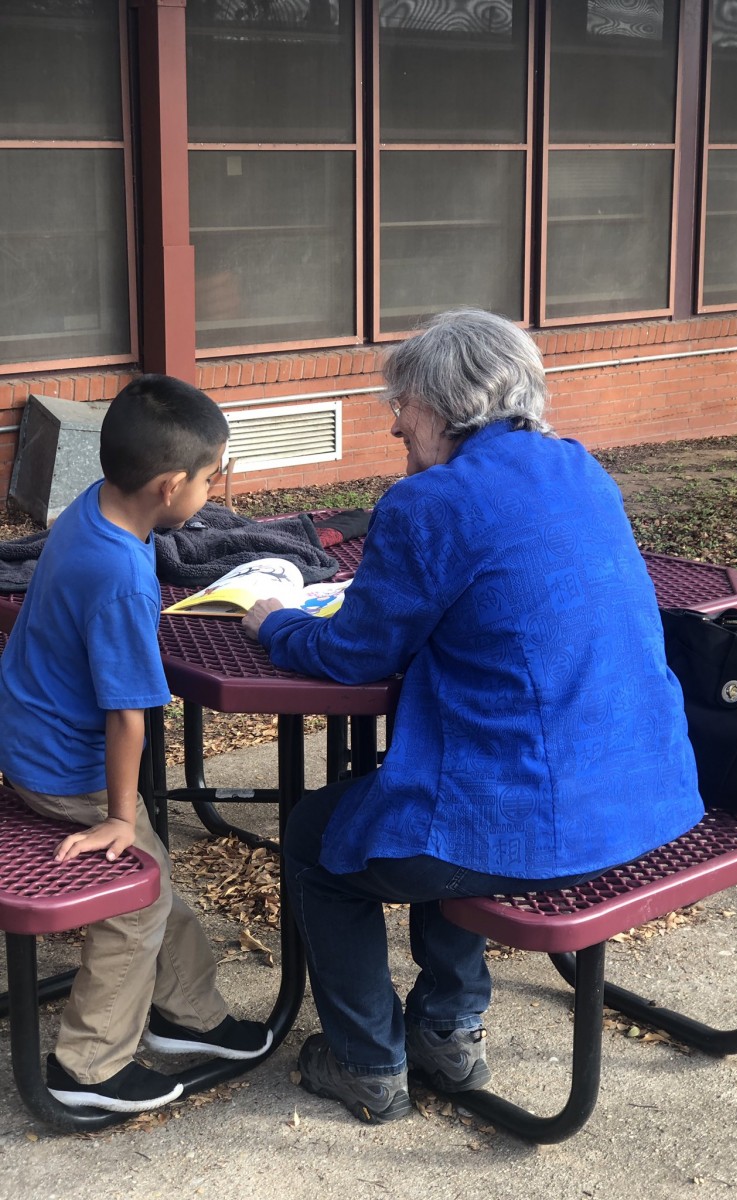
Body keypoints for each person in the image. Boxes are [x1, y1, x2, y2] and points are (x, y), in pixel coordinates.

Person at [242, 309, 703, 1124]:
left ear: (446, 406)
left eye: (403, 405)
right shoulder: (580, 470)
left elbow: (354, 654)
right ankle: (448, 1027)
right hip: (642, 796)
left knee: (320, 833)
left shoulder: (430, 501)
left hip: (541, 820)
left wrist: (272, 620)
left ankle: (367, 1063)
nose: (392, 424)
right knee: (425, 797)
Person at [0, 375, 273, 1114]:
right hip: (68, 767)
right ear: (169, 485)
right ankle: (87, 1068)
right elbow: (128, 717)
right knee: (137, 900)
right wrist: (118, 818)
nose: (214, 491)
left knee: (153, 878)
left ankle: (190, 1016)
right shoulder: (121, 575)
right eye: (212, 477)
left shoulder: (93, 510)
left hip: (33, 736)